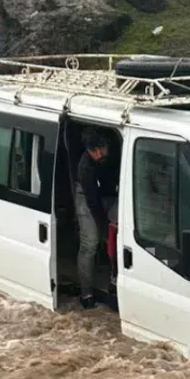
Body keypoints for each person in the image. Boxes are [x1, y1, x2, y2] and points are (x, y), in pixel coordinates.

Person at [74, 129, 119, 309]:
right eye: (93, 151)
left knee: (122, 237)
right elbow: (93, 203)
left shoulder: (117, 148)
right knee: (90, 243)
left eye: (101, 149)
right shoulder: (85, 168)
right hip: (87, 196)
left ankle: (115, 280)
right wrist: (103, 229)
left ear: (107, 144)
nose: (98, 154)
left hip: (113, 192)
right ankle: (86, 293)